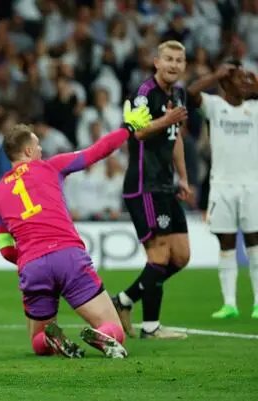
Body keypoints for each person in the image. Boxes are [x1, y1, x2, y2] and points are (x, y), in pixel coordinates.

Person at [0, 100, 151, 359]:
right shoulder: (51, 166)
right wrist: (127, 128)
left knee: (38, 339)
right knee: (114, 328)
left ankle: (51, 339)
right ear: (29, 150)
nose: (41, 150)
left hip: (32, 265)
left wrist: (29, 257)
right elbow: (97, 151)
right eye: (38, 146)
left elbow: (6, 250)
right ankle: (103, 335)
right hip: (68, 256)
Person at [112, 40, 191, 340]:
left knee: (180, 257)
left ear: (184, 65)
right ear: (156, 62)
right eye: (168, 59)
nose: (173, 64)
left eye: (179, 60)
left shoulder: (179, 94)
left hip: (166, 184)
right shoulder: (144, 94)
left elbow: (177, 138)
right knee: (158, 256)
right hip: (143, 185)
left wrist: (183, 177)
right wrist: (166, 119)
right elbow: (137, 131)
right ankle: (151, 327)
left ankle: (124, 300)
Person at [187, 60, 258, 319]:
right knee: (226, 244)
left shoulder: (254, 107)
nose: (245, 82)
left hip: (252, 186)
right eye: (239, 78)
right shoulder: (215, 107)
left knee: (255, 244)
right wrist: (216, 74)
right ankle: (229, 304)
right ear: (226, 83)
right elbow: (190, 93)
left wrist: (255, 83)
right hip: (222, 186)